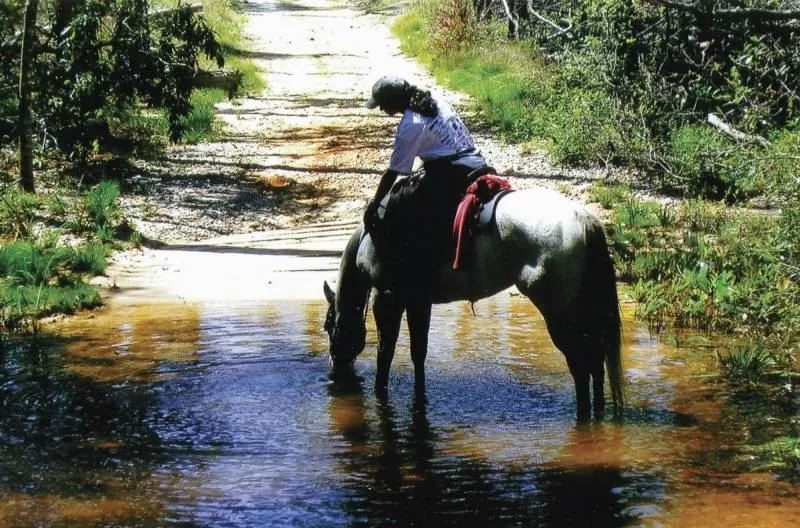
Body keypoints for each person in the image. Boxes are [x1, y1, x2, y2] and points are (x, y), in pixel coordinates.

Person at [362, 76, 490, 295]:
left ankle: (416, 272)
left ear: (394, 101)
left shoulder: (410, 124)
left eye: (383, 104)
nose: (382, 109)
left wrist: (374, 203)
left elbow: (394, 171)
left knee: (403, 208)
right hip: (477, 162)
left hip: (453, 173)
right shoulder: (436, 100)